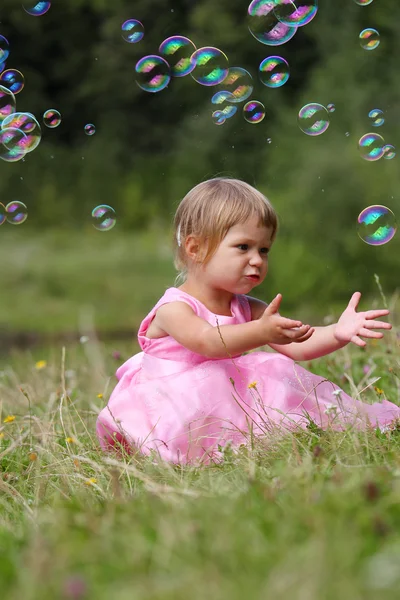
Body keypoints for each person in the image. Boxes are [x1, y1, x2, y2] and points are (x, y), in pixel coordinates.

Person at [96, 177, 399, 466]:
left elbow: (297, 346)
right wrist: (260, 330)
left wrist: (338, 332)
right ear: (195, 248)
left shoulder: (249, 308)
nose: (257, 260)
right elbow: (209, 342)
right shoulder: (174, 308)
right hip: (172, 406)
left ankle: (266, 441)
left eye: (264, 249)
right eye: (243, 247)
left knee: (276, 370)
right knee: (249, 375)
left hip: (223, 400)